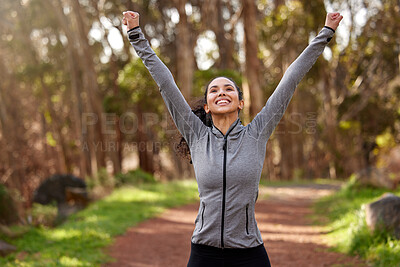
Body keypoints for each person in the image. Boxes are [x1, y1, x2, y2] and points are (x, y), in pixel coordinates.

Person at [122, 10, 343, 267]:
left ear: (240, 103)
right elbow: (165, 83)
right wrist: (136, 35)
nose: (221, 92)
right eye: (214, 90)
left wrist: (326, 33)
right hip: (204, 252)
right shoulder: (196, 135)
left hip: (249, 251)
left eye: (229, 89)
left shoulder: (257, 133)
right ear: (207, 106)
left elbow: (290, 79)